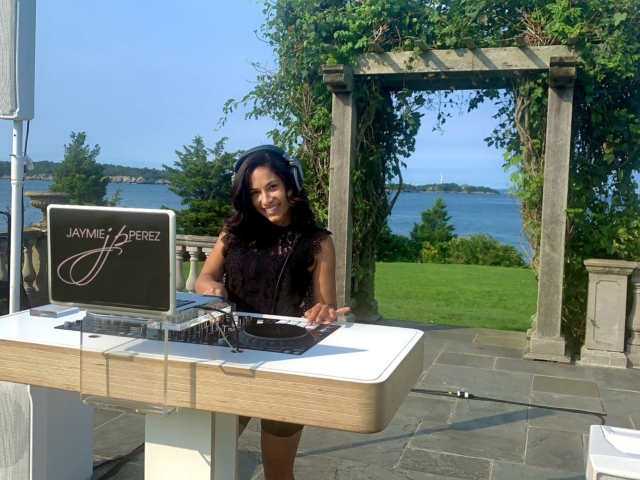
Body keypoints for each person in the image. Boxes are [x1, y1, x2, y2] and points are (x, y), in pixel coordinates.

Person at [195, 145, 349, 480]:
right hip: (232, 359)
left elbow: (324, 306)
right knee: (208, 458)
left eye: (272, 187)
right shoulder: (232, 233)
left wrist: (323, 311)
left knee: (278, 469)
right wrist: (212, 288)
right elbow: (204, 277)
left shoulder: (318, 242)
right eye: (255, 192)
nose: (265, 200)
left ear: (291, 183)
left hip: (286, 365)